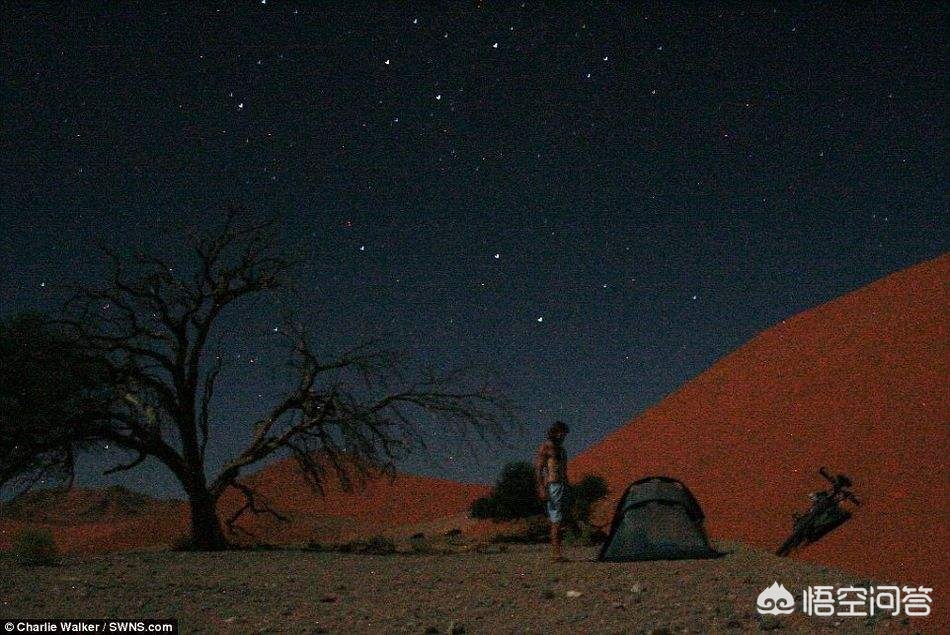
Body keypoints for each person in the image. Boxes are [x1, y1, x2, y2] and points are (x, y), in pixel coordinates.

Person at [534, 420, 569, 561]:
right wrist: (541, 487)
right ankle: (556, 554)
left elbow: (564, 470)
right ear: (555, 432)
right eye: (560, 433)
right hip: (553, 485)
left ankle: (558, 551)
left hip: (562, 485)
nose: (562, 436)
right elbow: (539, 469)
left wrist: (568, 486)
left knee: (561, 520)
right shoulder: (546, 447)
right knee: (556, 520)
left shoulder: (562, 450)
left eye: (564, 434)